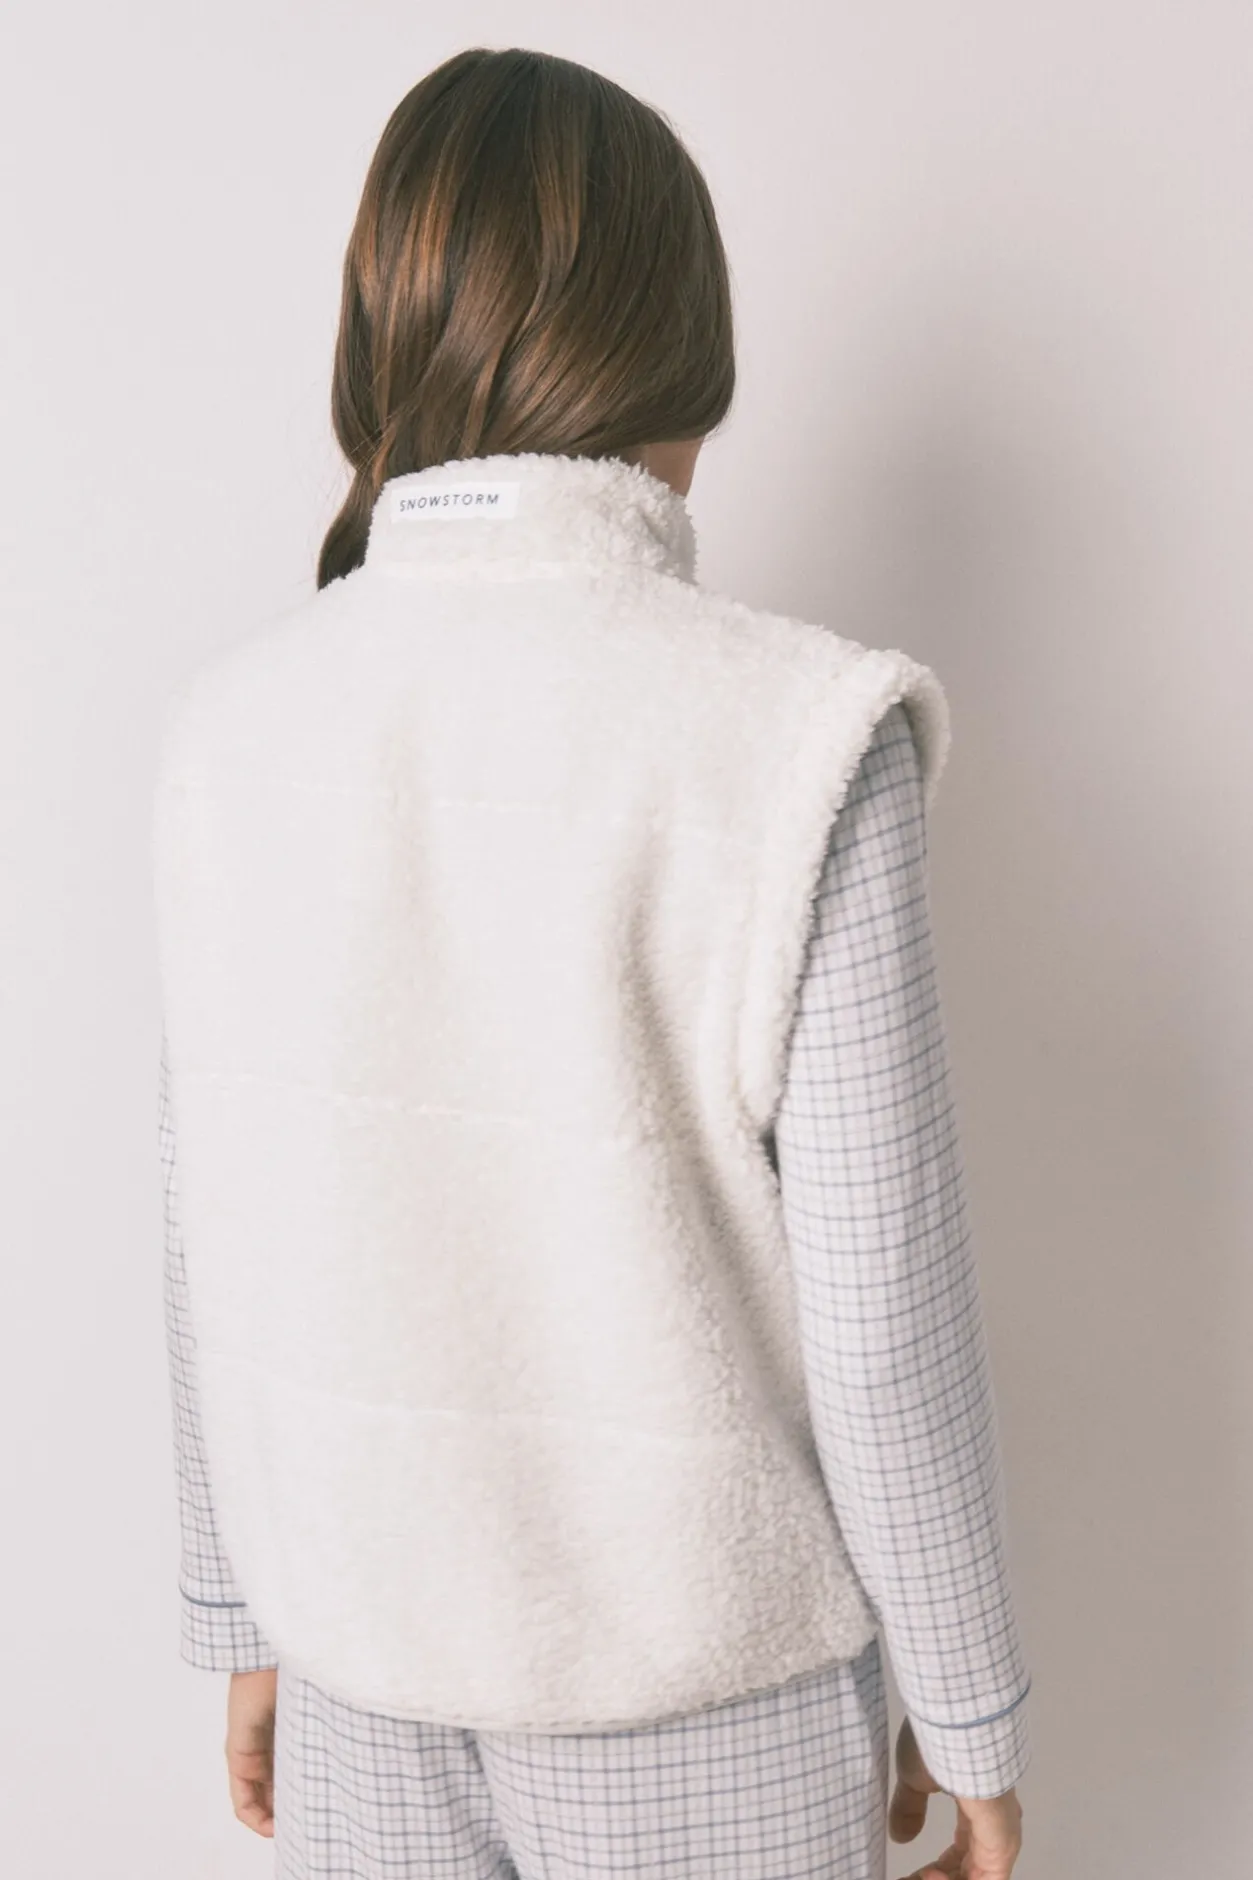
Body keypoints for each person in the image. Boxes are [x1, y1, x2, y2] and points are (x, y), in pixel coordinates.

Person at [151, 45, 1030, 1880]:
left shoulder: (229, 734)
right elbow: (885, 1323)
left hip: (360, 1681)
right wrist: (969, 1719)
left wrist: (241, 1616)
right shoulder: (802, 736)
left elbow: (210, 1227)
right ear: (677, 348)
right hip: (703, 1704)